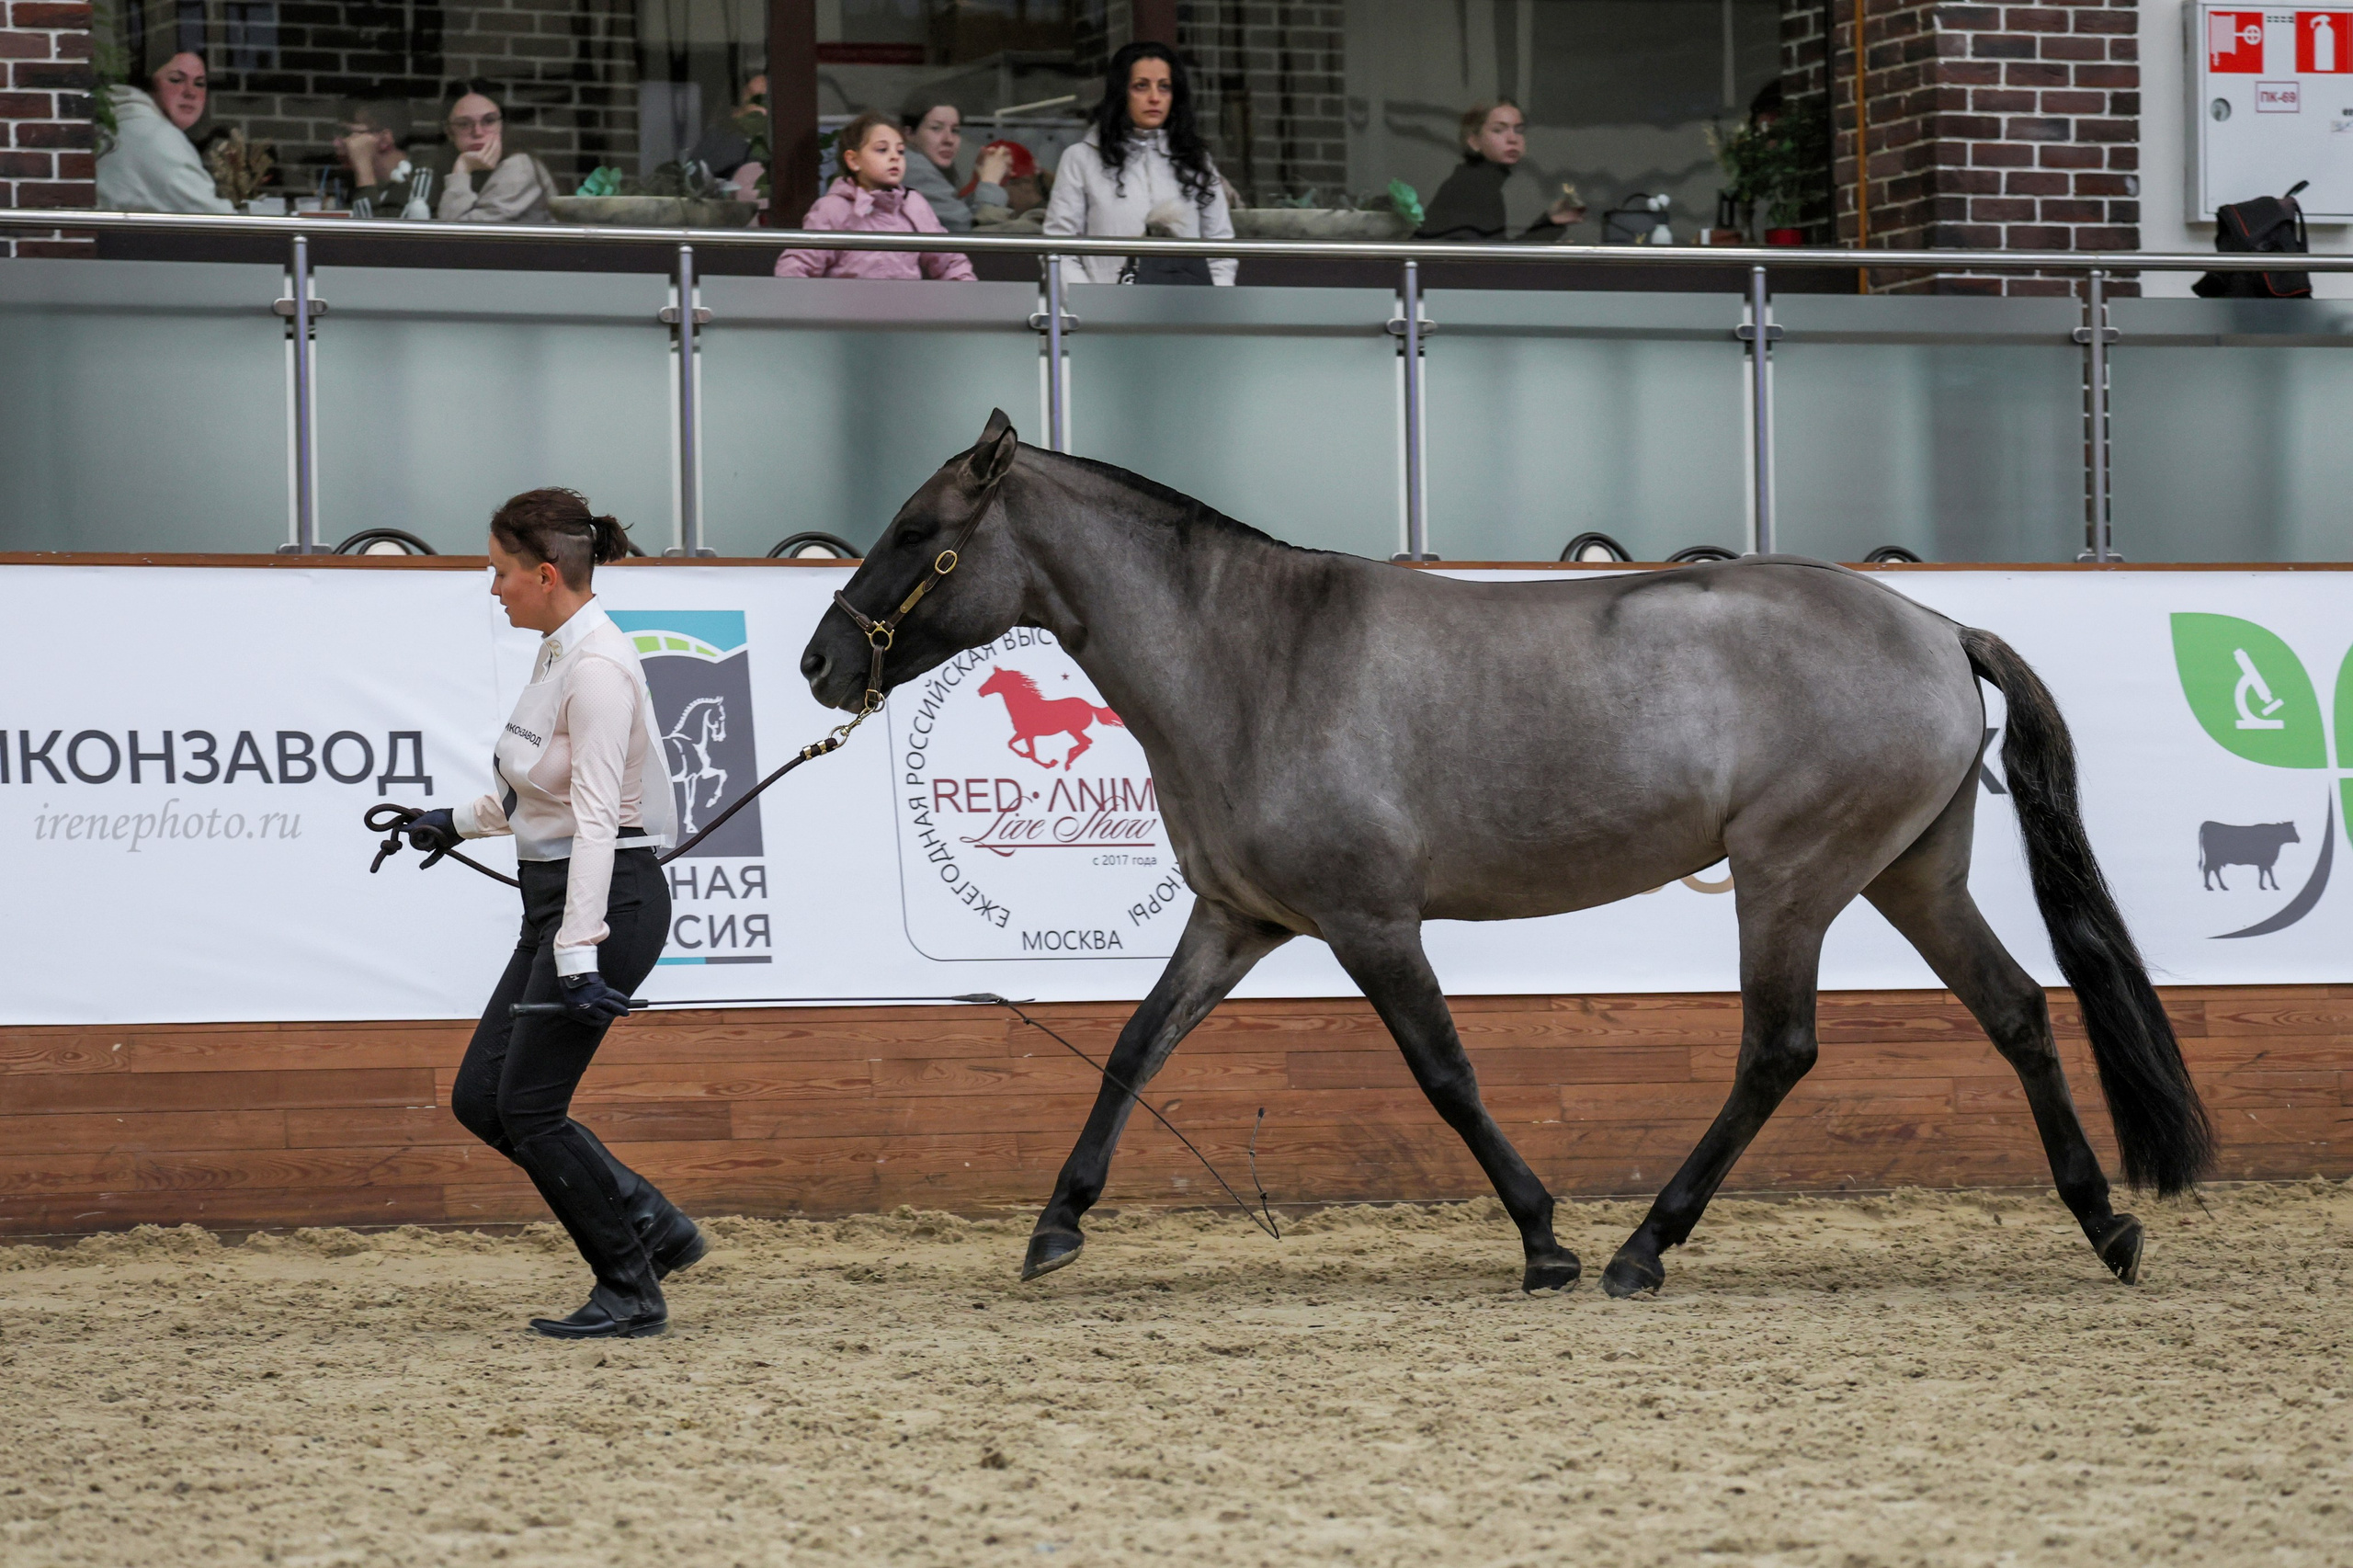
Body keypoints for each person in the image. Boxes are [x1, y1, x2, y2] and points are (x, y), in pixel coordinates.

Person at [398, 489, 699, 1339]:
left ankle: (632, 1288)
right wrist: (447, 822)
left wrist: (579, 954)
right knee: (481, 1100)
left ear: (543, 572)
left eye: (498, 571)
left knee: (528, 1107)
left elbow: (602, 819)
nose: (490, 587)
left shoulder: (597, 668)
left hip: (603, 905)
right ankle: (648, 1221)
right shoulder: (557, 654)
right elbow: (536, 796)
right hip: (558, 902)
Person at [1043, 41, 1235, 285]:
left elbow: (1222, 250)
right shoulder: (1081, 158)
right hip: (1105, 314)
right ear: (1121, 92)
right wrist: (1091, 305)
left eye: (1164, 87)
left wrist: (1212, 305)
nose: (1154, 98)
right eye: (1141, 86)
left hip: (1188, 313)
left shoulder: (1196, 160)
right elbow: (1057, 249)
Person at [773, 110, 975, 280]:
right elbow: (796, 267)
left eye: (901, 151)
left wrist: (966, 303)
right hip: (846, 321)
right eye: (882, 149)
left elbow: (951, 261)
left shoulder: (914, 204)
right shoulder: (833, 208)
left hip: (906, 319)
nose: (895, 156)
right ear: (853, 161)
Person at [1416, 99, 1584, 244]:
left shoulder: (1481, 182)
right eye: (1498, 130)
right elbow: (1494, 263)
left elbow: (1496, 255)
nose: (1513, 138)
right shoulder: (1471, 186)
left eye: (1519, 130)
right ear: (1474, 141)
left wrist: (1551, 222)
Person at [96, 51, 233, 213]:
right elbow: (212, 218)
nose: (190, 92)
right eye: (176, 80)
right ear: (150, 85)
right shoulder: (153, 135)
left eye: (199, 83)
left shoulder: (128, 122)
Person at [437, 85, 555, 223]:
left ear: (502, 125)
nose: (478, 132)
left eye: (489, 121)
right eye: (464, 124)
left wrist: (462, 168)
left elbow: (455, 233)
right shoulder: (445, 162)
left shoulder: (518, 167)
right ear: (449, 131)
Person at [898, 101, 1012, 233]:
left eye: (955, 130)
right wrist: (990, 182)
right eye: (936, 128)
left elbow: (960, 214)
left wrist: (982, 182)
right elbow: (969, 233)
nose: (949, 139)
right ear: (909, 134)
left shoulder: (921, 164)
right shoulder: (913, 167)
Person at [336, 97, 429, 218]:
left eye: (346, 133)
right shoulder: (353, 183)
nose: (337, 143)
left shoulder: (420, 180)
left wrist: (364, 170)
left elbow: (374, 234)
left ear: (384, 139)